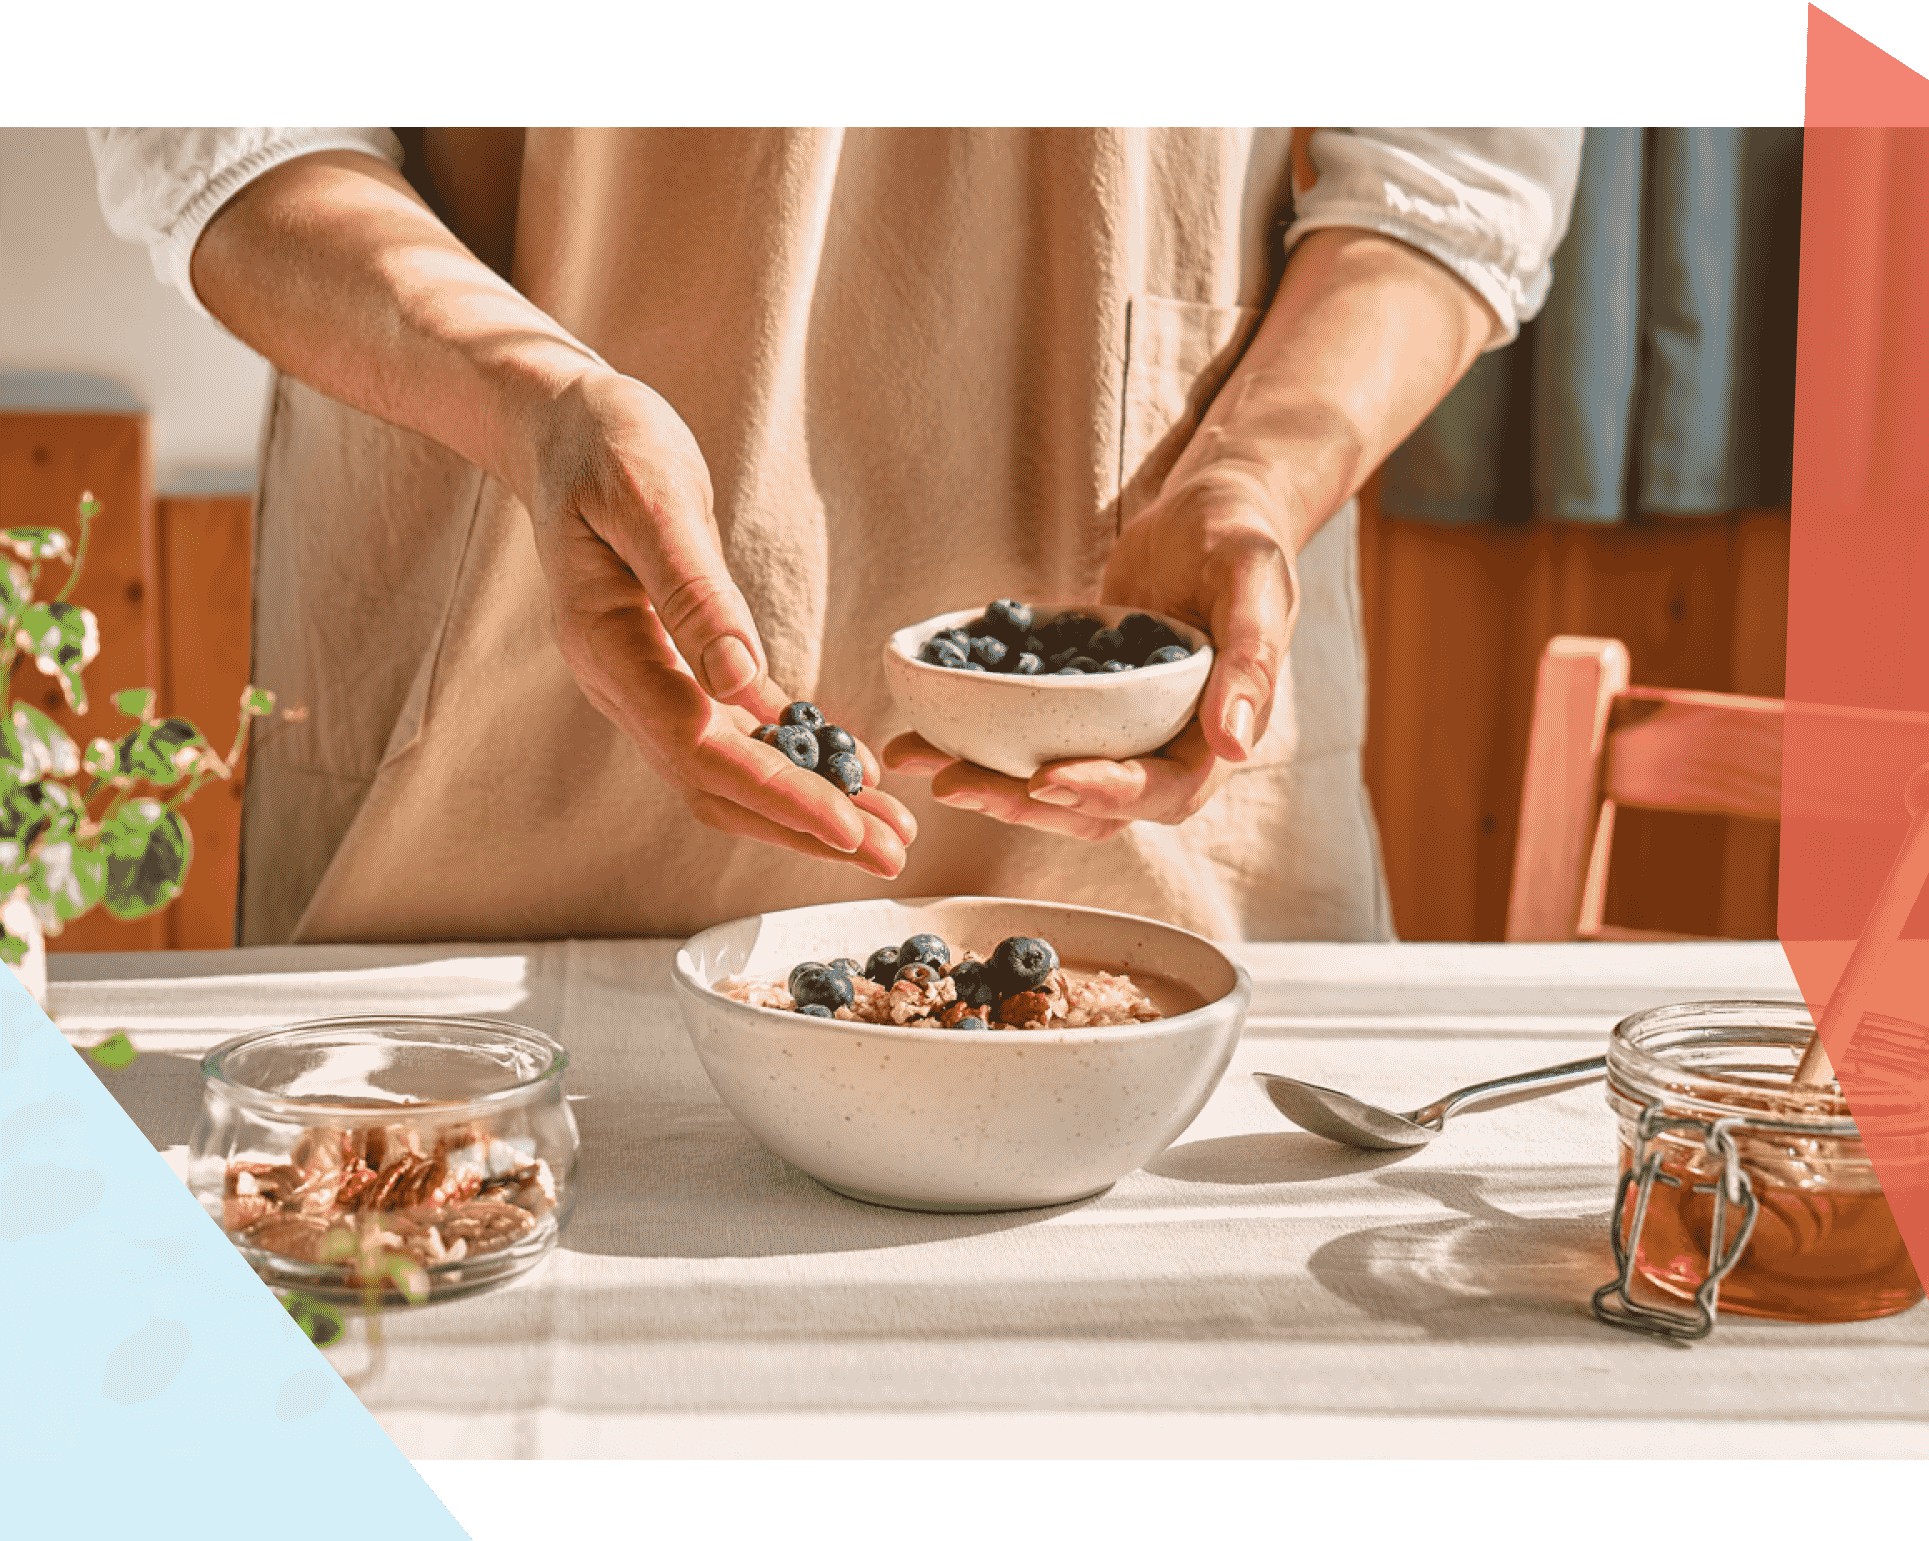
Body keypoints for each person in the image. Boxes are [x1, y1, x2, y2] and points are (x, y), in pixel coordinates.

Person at [89, 127, 1582, 946]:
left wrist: (1253, 473)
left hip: (1152, 870)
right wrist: (532, 397)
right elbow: (228, 144)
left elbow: (1456, 175)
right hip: (483, 804)